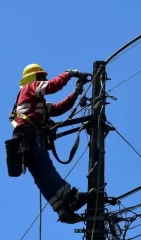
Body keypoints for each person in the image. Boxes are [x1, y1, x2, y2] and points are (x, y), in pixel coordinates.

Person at [10, 63, 96, 224]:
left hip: (23, 140)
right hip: (29, 136)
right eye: (42, 76)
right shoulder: (31, 87)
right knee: (46, 169)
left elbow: (58, 108)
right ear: (35, 77)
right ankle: (72, 197)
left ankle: (63, 210)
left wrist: (76, 92)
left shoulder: (34, 102)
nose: (45, 79)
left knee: (42, 176)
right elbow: (52, 86)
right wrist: (69, 73)